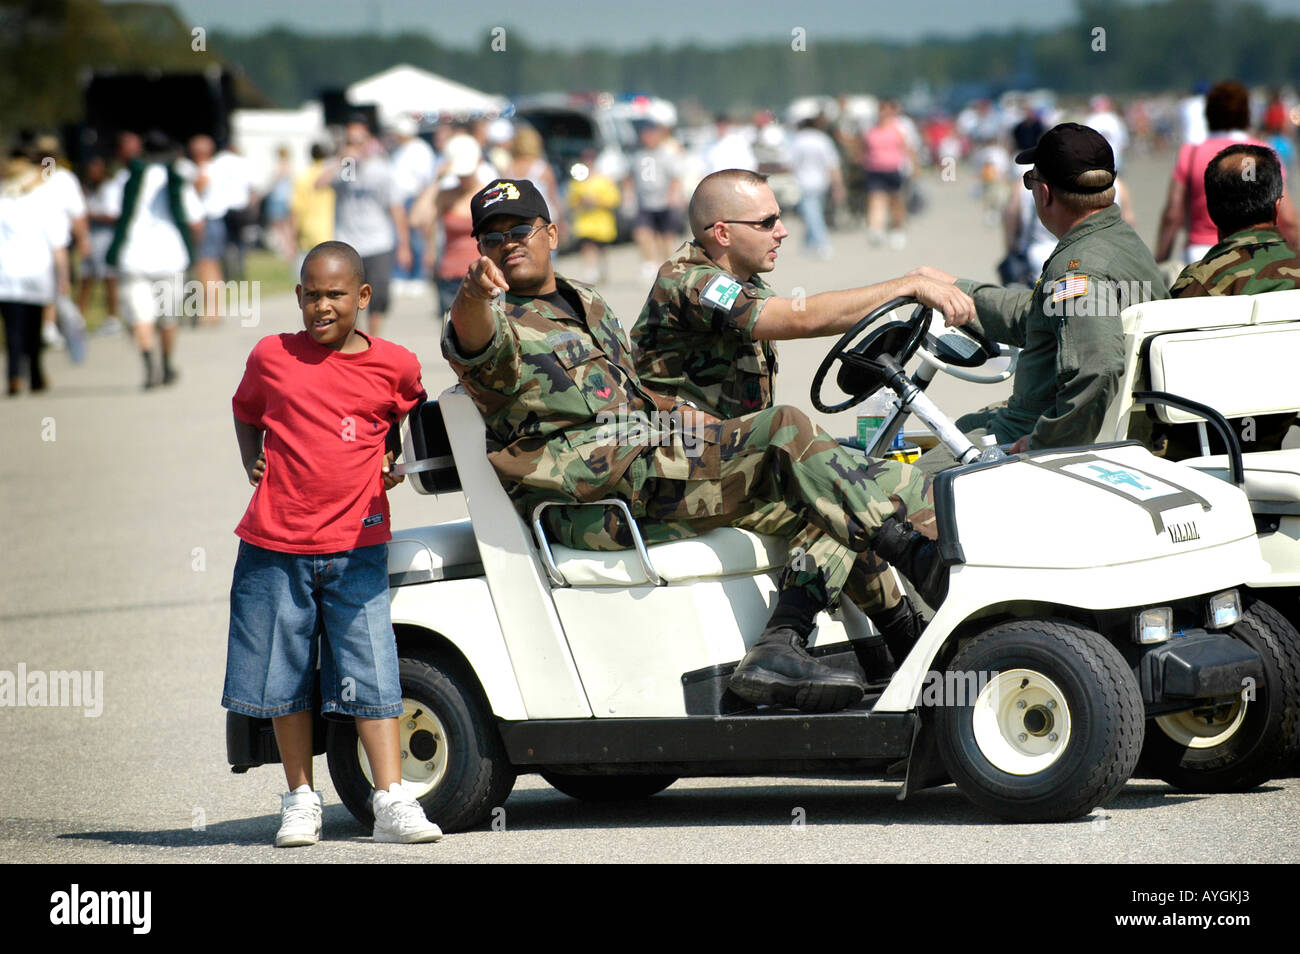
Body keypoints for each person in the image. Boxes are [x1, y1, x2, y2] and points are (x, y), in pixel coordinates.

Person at [442, 178, 950, 714]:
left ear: (551, 232)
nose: (507, 244)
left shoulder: (584, 301)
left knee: (827, 494)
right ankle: (925, 564)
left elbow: (621, 393)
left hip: (647, 472)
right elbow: (472, 342)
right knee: (786, 429)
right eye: (490, 238)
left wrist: (666, 408)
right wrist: (472, 294)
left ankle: (837, 646)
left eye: (520, 229)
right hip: (591, 502)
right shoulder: (495, 321)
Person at [630, 167, 974, 674]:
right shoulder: (690, 281)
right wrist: (908, 286)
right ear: (722, 232)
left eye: (781, 218)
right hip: (678, 476)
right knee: (840, 474)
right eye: (767, 220)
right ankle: (914, 597)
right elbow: (800, 318)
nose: (783, 230)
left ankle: (831, 644)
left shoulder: (741, 283)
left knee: (844, 487)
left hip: (732, 471)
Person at [224, 240, 440, 847]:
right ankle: (299, 798)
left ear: (362, 297)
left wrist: (396, 455)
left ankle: (393, 799)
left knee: (372, 669)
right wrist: (252, 458)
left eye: (335, 295)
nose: (322, 306)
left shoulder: (393, 363)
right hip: (275, 546)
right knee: (282, 676)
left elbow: (411, 414)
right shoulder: (272, 356)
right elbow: (245, 410)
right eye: (311, 294)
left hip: (357, 546)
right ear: (297, 296)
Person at [911, 123, 1168, 471]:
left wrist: (1044, 442)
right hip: (1089, 425)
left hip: (1032, 432)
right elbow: (1039, 314)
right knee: (962, 426)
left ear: (1044, 193)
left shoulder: (1079, 271)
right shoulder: (1119, 240)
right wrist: (957, 288)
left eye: (1030, 181)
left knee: (891, 495)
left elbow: (1099, 367)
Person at [1154, 143, 1300, 457]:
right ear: (1276, 207)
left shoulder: (1199, 283)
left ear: (1210, 212)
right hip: (1288, 440)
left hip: (1216, 447)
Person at [1155, 80, 1299, 266]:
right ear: (1246, 114)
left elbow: (1173, 215)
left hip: (1201, 254)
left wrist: (1160, 259)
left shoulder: (1191, 153)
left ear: (1208, 114)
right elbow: (1288, 218)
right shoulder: (1262, 152)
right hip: (1256, 253)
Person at [104, 131, 203, 389]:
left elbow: (115, 213)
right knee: (168, 317)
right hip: (170, 256)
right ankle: (167, 364)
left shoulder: (127, 177)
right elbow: (196, 219)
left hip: (133, 256)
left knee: (141, 315)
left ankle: (150, 366)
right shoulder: (177, 178)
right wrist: (194, 249)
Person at [318, 118, 410, 339]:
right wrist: (342, 160)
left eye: (359, 141)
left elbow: (395, 208)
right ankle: (349, 338)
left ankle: (374, 339)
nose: (355, 145)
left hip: (378, 242)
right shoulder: (343, 169)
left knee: (377, 296)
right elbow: (319, 184)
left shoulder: (380, 169)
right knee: (346, 295)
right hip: (348, 242)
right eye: (351, 141)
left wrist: (404, 245)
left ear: (369, 141)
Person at [1, 142, 70, 394]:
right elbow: (58, 245)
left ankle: (14, 375)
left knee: (12, 329)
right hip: (38, 272)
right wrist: (64, 277)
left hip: (7, 275)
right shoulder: (44, 202)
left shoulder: (2, 201)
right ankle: (36, 373)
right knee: (33, 326)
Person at [788, 116, 845, 258]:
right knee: (814, 212)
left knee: (811, 213)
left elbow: (790, 163)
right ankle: (808, 243)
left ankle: (822, 242)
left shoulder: (798, 140)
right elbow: (832, 164)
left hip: (804, 182)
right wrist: (838, 185)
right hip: (821, 182)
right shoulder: (822, 139)